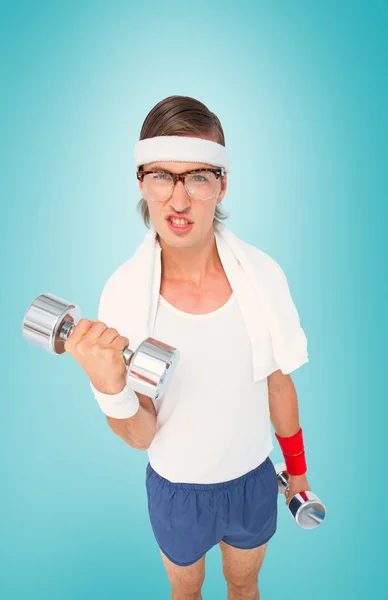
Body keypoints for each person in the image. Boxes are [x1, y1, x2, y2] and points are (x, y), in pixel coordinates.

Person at [64, 95, 312, 600]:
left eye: (198, 176)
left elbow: (278, 379)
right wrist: (108, 388)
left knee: (244, 584)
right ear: (141, 182)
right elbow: (140, 433)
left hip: (254, 479)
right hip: (177, 491)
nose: (179, 201)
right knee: (186, 592)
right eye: (162, 175)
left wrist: (299, 474)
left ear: (222, 184)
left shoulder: (262, 277)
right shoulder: (124, 295)